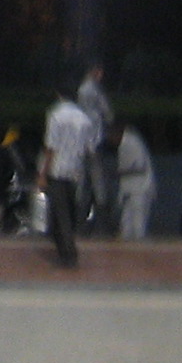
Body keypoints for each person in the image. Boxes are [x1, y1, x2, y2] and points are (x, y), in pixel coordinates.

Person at [38, 80, 96, 269]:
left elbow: (50, 147)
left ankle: (69, 254)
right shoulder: (84, 119)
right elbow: (90, 149)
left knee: (61, 213)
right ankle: (65, 250)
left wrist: (42, 173)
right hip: (76, 172)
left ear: (58, 95)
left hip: (57, 170)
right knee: (69, 212)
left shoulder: (55, 115)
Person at [76, 62, 116, 234]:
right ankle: (102, 223)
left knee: (83, 184)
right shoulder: (93, 89)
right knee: (98, 184)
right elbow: (108, 113)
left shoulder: (82, 89)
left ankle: (81, 221)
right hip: (94, 142)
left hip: (83, 143)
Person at [115, 124, 155, 239]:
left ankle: (140, 247)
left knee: (139, 224)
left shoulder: (132, 142)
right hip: (129, 189)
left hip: (140, 187)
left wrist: (119, 172)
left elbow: (140, 167)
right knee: (126, 223)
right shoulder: (123, 144)